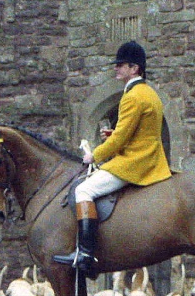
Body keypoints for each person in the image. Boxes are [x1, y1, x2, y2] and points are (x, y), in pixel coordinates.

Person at [53, 40, 172, 274]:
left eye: (121, 65)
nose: (116, 69)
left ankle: (86, 253)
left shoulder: (132, 96)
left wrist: (93, 155)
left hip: (134, 163)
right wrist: (113, 134)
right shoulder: (149, 93)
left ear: (134, 69)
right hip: (150, 158)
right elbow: (137, 132)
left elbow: (119, 142)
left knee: (83, 191)